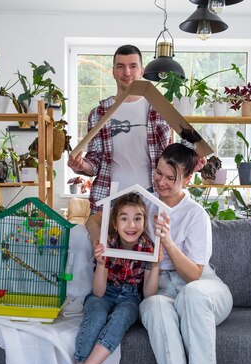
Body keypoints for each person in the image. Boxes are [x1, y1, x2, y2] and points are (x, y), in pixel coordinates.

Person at [140, 142, 233, 364]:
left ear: (188, 179)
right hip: (161, 286)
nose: (162, 183)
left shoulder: (195, 214)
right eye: (158, 173)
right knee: (154, 306)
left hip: (202, 286)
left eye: (171, 178)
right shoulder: (144, 204)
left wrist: (167, 241)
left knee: (192, 296)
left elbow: (194, 274)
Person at [49, 192, 161, 364]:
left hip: (130, 296)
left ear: (144, 221)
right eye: (124, 218)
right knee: (97, 314)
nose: (131, 224)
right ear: (115, 223)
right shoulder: (107, 243)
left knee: (120, 319)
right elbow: (98, 293)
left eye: (138, 218)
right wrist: (101, 264)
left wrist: (155, 266)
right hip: (105, 291)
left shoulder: (148, 246)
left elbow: (148, 294)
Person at [67, 44, 172, 244]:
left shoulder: (158, 109)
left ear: (142, 71)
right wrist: (82, 166)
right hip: (110, 196)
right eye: (120, 66)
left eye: (133, 66)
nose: (127, 72)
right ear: (113, 71)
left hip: (150, 196)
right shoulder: (99, 113)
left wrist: (193, 162)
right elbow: (94, 162)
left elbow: (169, 157)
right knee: (105, 257)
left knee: (149, 257)